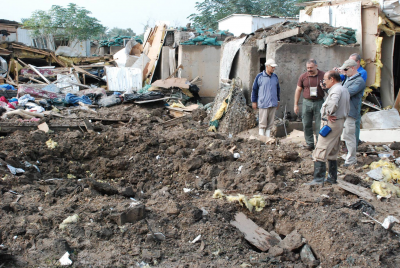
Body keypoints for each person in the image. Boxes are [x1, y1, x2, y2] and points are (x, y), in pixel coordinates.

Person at [307, 71, 350, 185]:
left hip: (331, 123)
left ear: (332, 79)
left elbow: (333, 102)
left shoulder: (336, 90)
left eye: (325, 80)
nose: (324, 82)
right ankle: (332, 178)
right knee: (333, 150)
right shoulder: (343, 89)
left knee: (321, 148)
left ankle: (318, 179)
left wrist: (329, 113)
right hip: (339, 122)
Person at [339, 59, 366, 167]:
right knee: (345, 135)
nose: (344, 72)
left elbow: (347, 93)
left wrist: (336, 89)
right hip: (345, 111)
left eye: (346, 69)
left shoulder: (359, 81)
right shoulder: (349, 79)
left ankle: (351, 159)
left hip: (351, 112)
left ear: (353, 68)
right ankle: (349, 156)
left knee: (350, 136)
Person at [336, 53, 367, 146]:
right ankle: (348, 144)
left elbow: (350, 90)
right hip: (346, 102)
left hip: (354, 101)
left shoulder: (361, 73)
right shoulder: (349, 76)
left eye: (346, 68)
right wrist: (341, 72)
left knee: (354, 123)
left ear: (357, 63)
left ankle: (354, 143)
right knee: (347, 127)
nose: (345, 71)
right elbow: (341, 80)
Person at [294, 59, 325, 150]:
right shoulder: (303, 76)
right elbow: (298, 90)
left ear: (316, 66)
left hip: (319, 102)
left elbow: (329, 88)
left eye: (311, 67)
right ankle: (310, 143)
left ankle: (320, 144)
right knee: (306, 123)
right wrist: (296, 104)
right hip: (307, 102)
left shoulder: (323, 75)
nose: (309, 69)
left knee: (320, 124)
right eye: (307, 68)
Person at [251, 59, 280, 142]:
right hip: (263, 103)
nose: (273, 68)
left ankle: (267, 138)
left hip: (273, 102)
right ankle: (261, 139)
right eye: (272, 67)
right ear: (267, 66)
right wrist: (254, 101)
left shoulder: (275, 77)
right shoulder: (259, 77)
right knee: (262, 122)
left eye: (274, 67)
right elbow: (254, 89)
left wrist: (278, 100)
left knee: (270, 123)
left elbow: (278, 89)